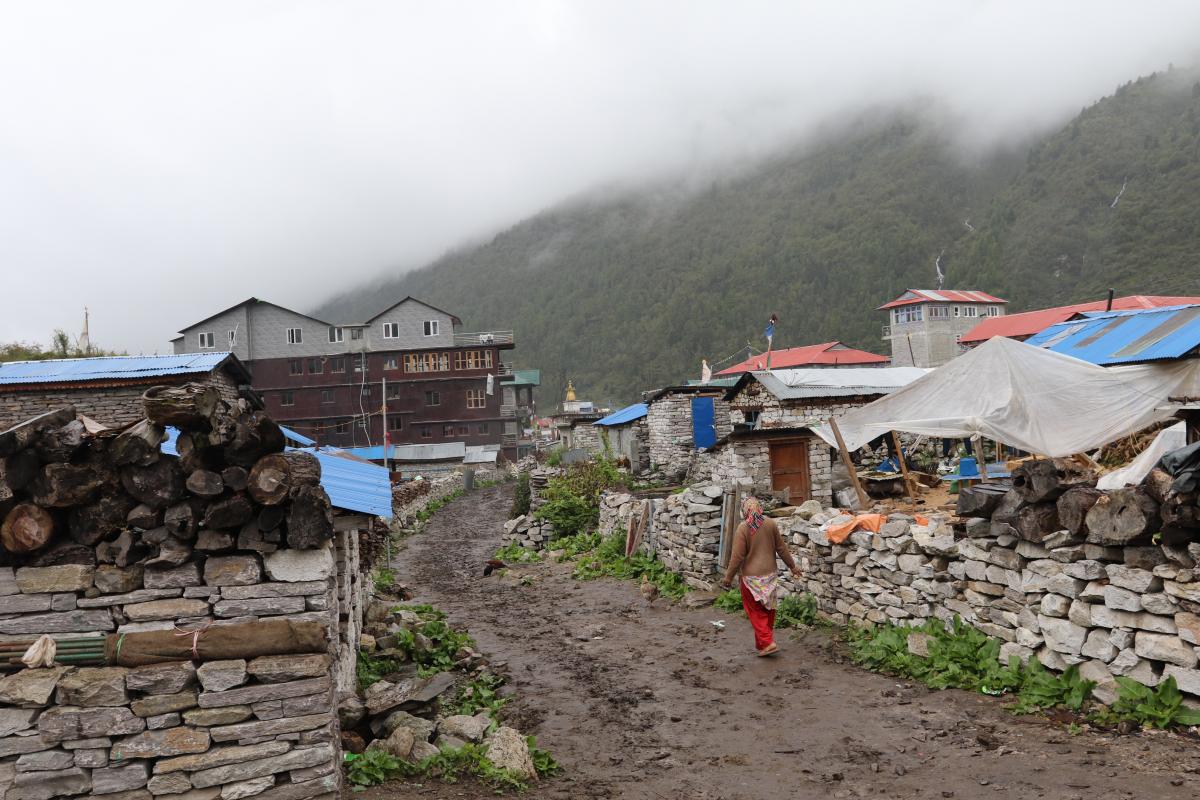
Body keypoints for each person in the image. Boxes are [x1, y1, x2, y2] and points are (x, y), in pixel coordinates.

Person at [719, 497, 803, 656]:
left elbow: (737, 557)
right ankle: (763, 645)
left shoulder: (743, 528)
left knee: (755, 611)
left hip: (751, 578)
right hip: (770, 575)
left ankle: (767, 642)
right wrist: (792, 566)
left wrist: (728, 577)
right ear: (760, 508)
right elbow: (781, 548)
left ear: (745, 510)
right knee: (769, 609)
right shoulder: (770, 523)